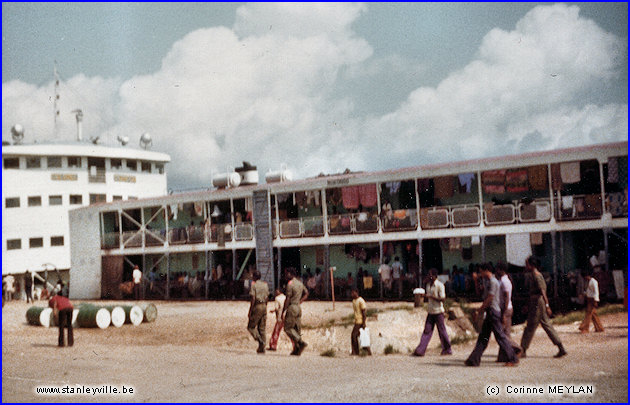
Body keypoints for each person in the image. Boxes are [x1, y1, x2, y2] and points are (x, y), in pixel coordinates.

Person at [465, 264, 518, 367]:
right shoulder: (489, 281)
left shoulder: (493, 282)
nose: (480, 274)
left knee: (500, 337)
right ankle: (474, 359)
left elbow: (489, 299)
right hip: (490, 312)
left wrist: (479, 311)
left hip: (493, 312)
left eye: (481, 271)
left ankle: (513, 358)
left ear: (486, 271)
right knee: (483, 337)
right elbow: (481, 294)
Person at [520, 256, 567, 359]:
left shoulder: (537, 276)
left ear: (532, 265)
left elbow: (542, 292)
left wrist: (547, 305)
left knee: (530, 326)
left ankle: (523, 349)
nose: (526, 266)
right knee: (547, 325)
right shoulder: (533, 275)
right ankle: (560, 347)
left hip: (538, 303)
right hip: (535, 302)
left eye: (527, 264)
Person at [413, 268, 452, 356]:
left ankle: (447, 349)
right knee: (427, 330)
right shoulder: (428, 285)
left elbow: (442, 299)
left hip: (438, 312)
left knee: (442, 331)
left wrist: (430, 296)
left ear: (434, 276)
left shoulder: (440, 285)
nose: (428, 276)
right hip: (430, 311)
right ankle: (420, 350)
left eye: (430, 275)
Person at [495, 262, 522, 362]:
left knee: (501, 334)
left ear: (501, 270)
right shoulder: (504, 280)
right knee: (506, 333)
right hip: (508, 308)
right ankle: (502, 356)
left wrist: (503, 313)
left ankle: (517, 347)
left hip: (505, 309)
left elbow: (506, 298)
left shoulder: (504, 281)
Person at [282, 267, 309, 355]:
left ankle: (300, 343)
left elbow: (287, 298)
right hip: (298, 307)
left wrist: (283, 310)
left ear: (291, 273)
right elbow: (306, 293)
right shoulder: (300, 283)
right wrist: (300, 301)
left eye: (287, 273)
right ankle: (296, 349)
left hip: (292, 307)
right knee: (297, 329)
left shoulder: (290, 284)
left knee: (288, 328)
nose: (286, 275)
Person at [247, 270, 269, 353]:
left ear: (255, 277)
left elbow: (253, 298)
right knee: (262, 328)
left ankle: (260, 341)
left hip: (257, 306)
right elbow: (267, 297)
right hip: (264, 306)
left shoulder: (254, 285)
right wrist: (265, 306)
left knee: (251, 327)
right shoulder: (265, 285)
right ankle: (262, 347)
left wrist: (250, 310)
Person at [350, 288, 371, 355]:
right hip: (356, 320)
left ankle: (356, 351)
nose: (352, 294)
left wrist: (364, 323)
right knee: (362, 336)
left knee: (354, 335)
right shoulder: (353, 301)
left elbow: (364, 312)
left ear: (356, 292)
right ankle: (367, 351)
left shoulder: (361, 300)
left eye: (353, 293)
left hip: (360, 321)